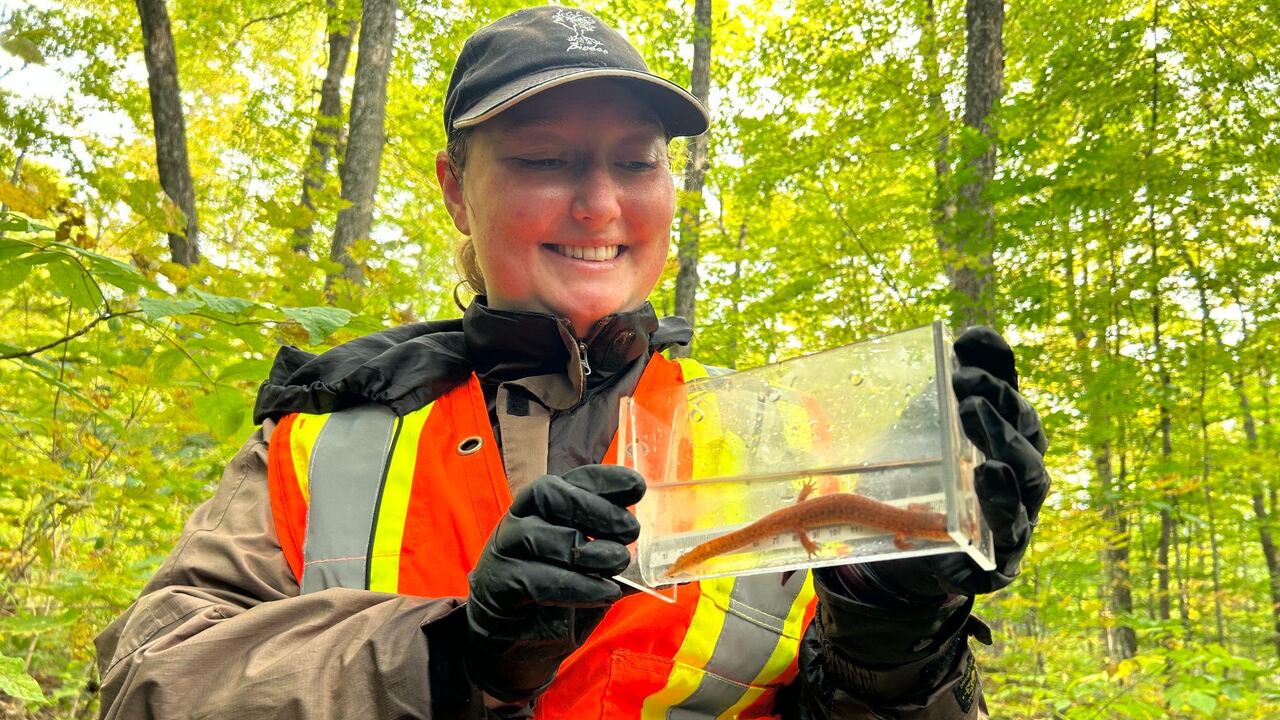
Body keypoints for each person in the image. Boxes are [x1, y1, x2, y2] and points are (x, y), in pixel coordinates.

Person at [95, 6, 1049, 719]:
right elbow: (148, 682)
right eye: (546, 161)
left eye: (635, 164)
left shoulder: (789, 439)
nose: (599, 206)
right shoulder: (325, 444)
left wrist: (897, 628)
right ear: (456, 192)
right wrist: (458, 655)